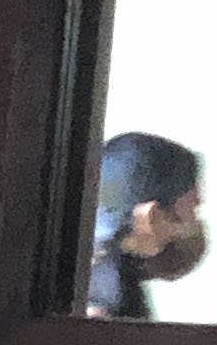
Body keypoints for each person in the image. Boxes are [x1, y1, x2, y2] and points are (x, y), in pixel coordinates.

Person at [88, 128, 208, 318]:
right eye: (190, 210)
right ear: (150, 215)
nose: (195, 223)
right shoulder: (103, 305)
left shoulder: (97, 276)